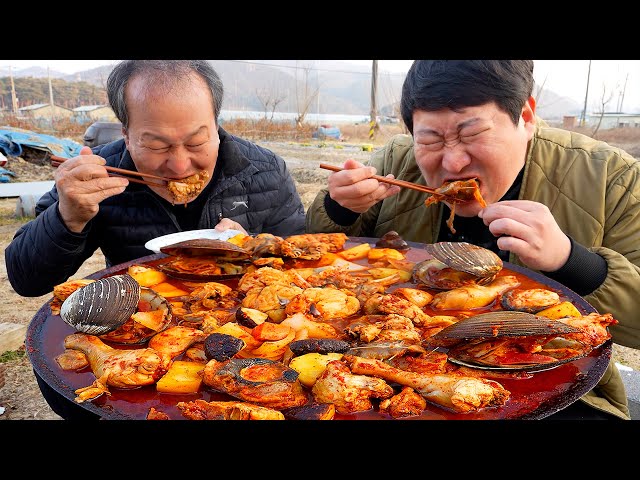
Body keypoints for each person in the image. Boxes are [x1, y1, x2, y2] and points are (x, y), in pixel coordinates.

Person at [306, 60, 640, 420]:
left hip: (557, 387)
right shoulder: (397, 162)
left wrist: (572, 261)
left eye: (472, 134)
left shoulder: (610, 177)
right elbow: (311, 256)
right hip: (397, 385)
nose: (453, 162)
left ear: (526, 117)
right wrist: (339, 208)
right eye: (431, 140)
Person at [5, 59, 306, 419]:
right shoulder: (97, 176)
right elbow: (26, 280)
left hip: (247, 353)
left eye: (197, 141)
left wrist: (255, 250)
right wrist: (66, 217)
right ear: (127, 133)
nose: (180, 167)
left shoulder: (264, 171)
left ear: (216, 124)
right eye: (157, 146)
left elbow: (303, 267)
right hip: (138, 343)